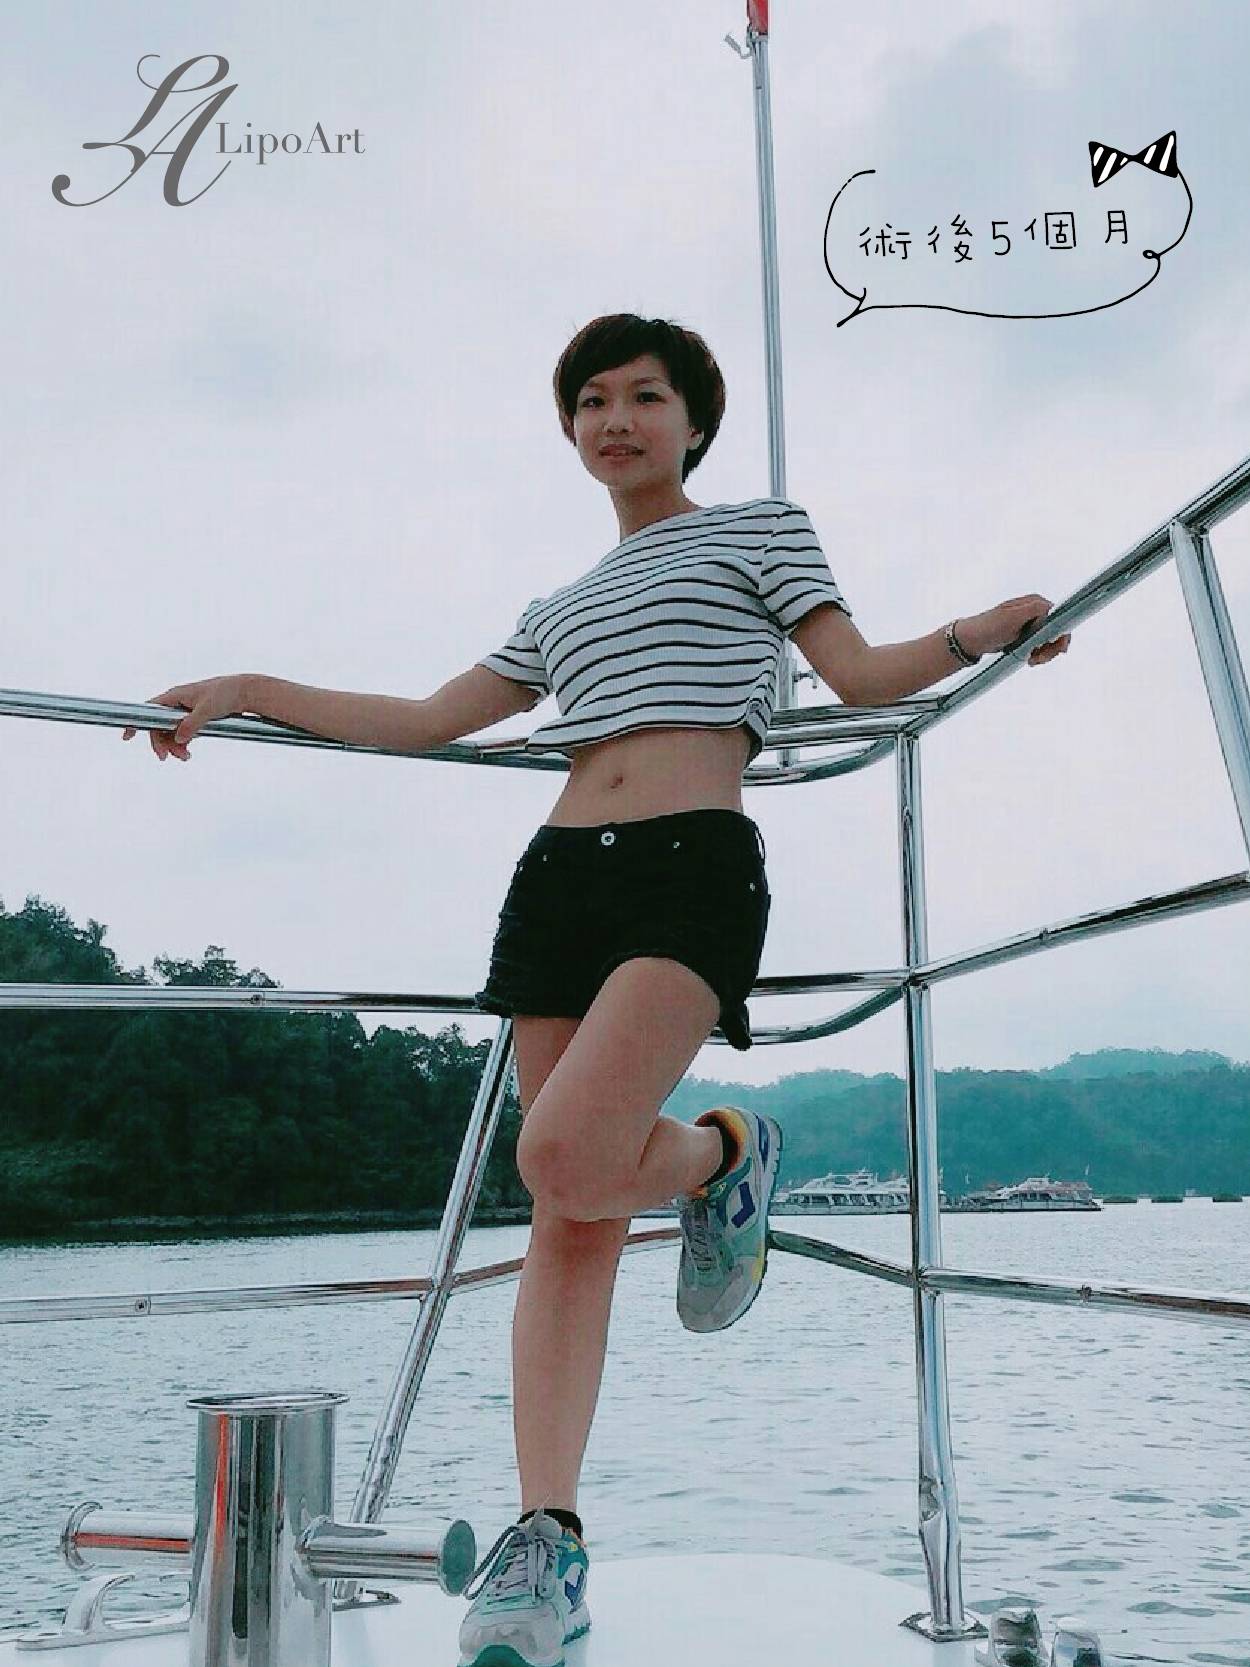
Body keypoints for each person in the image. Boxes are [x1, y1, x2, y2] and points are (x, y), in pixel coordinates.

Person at [123, 312, 1071, 1667]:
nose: (616, 420)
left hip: (692, 867)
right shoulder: (555, 608)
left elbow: (858, 675)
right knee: (568, 1212)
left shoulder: (760, 531)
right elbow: (424, 720)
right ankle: (547, 1541)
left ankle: (724, 1153)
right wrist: (247, 686)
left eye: (644, 396)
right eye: (591, 402)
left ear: (694, 421)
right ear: (571, 429)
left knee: (564, 1153)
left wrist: (978, 633)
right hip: (559, 880)